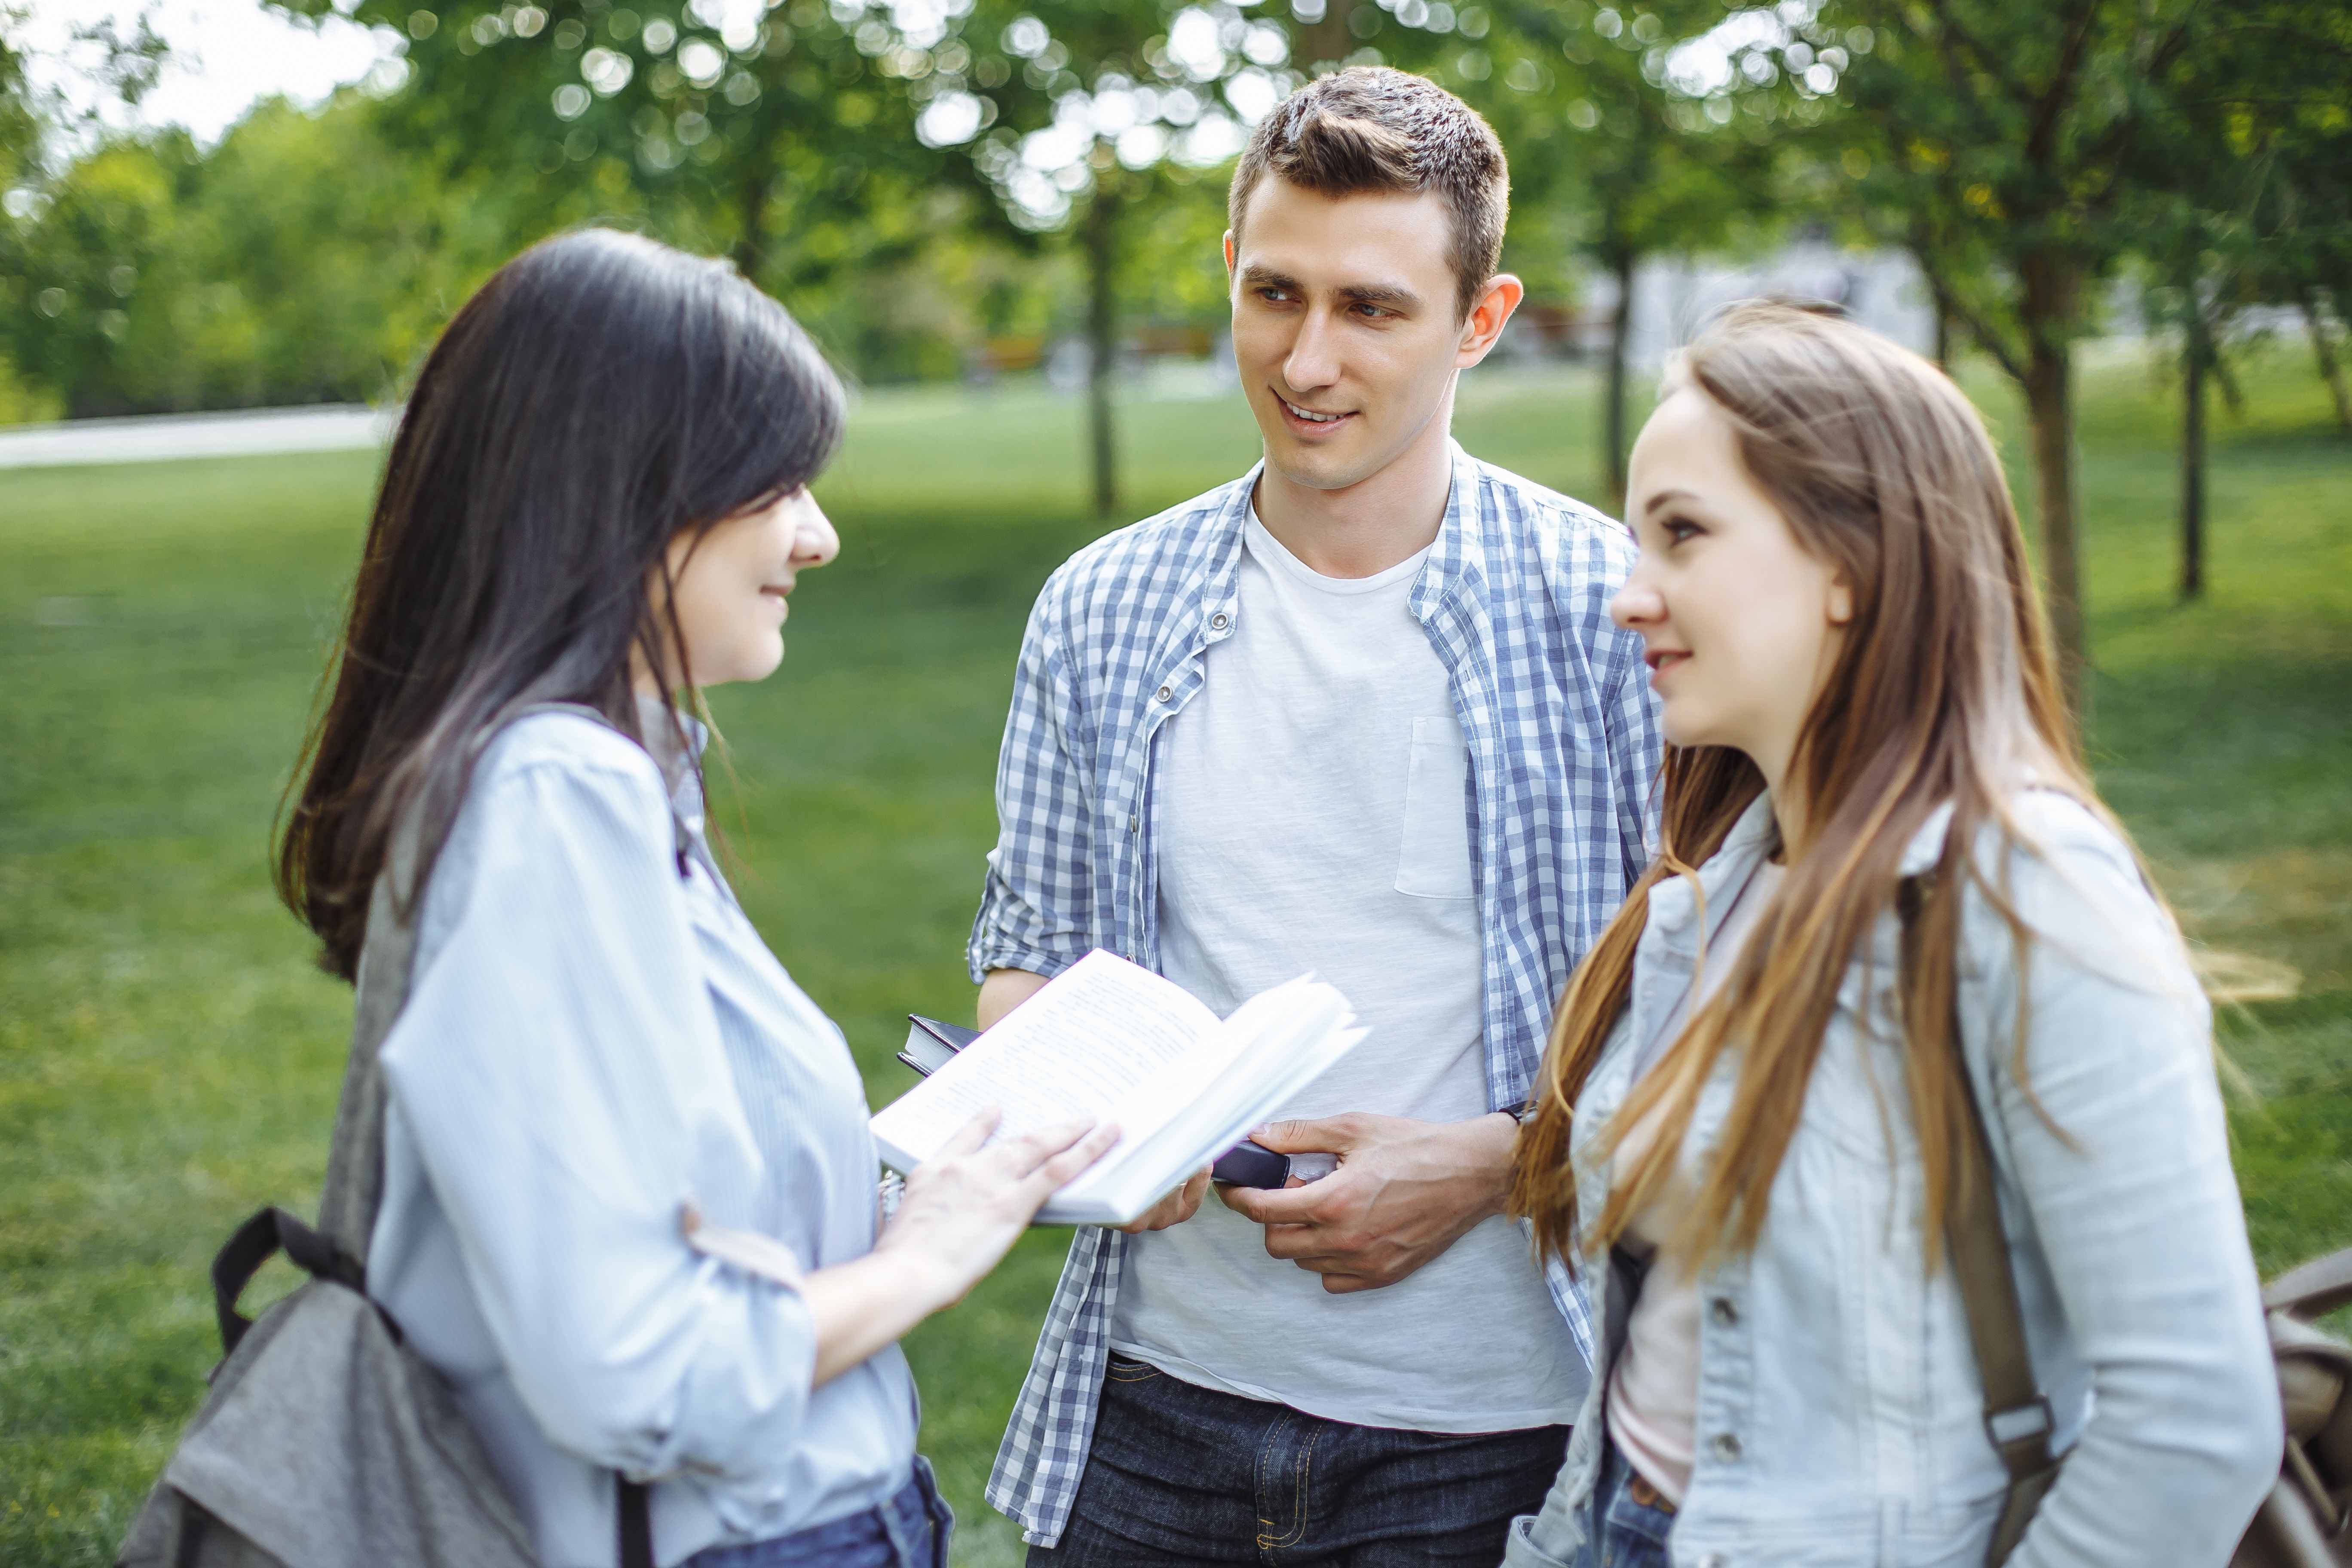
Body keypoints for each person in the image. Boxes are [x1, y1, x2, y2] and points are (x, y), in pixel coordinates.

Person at [274, 229, 1117, 1568]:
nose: (819, 536)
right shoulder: (556, 801)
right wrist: (925, 1262)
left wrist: (896, 1210)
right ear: (627, 490)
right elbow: (637, 1368)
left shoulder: (604, 779)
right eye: (778, 483)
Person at [968, 68, 1661, 1563]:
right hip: (1152, 1405)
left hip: (1493, 1426)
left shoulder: (1615, 614)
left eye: (1373, 308)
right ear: (1231, 272)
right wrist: (1082, 1135)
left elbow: (1727, 1009)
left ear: (1481, 321)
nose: (1306, 357)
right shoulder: (1098, 608)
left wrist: (1496, 1166)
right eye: (1274, 292)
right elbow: (1029, 955)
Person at [1503, 302, 2280, 1568]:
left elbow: (2195, 1426)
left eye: (1683, 536)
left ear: (1851, 562)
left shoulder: (2022, 893)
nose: (1627, 598)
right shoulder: (1721, 887)